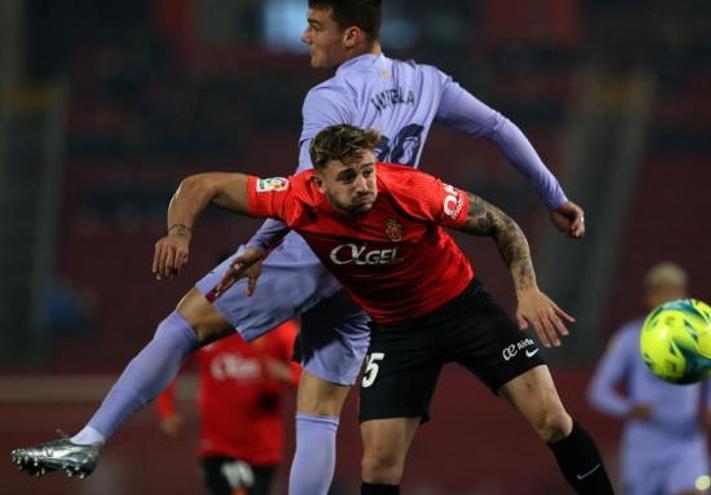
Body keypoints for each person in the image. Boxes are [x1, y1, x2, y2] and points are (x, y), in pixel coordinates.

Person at [12, 1, 585, 492]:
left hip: (317, 247)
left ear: (351, 35)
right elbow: (498, 127)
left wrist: (256, 248)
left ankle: (89, 440)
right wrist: (553, 194)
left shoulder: (329, 98)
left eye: (316, 24)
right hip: (375, 271)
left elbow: (307, 191)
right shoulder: (426, 81)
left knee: (183, 327)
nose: (306, 35)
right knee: (320, 414)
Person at [155, 123, 614, 495]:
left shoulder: (414, 191)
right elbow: (201, 184)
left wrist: (527, 290)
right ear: (319, 181)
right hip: (397, 333)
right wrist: (178, 231)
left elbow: (501, 223)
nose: (363, 185)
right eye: (348, 176)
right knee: (377, 465)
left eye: (368, 171)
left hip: (464, 310)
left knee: (553, 421)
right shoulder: (295, 197)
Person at [588, 262, 711, 495]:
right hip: (644, 444)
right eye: (664, 291)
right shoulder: (629, 338)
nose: (671, 297)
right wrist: (629, 408)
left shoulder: (700, 336)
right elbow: (599, 392)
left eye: (677, 291)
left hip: (687, 441)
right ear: (650, 298)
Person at [156, 320, 302, 495]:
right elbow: (167, 365)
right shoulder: (208, 328)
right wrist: (167, 412)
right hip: (218, 447)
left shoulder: (280, 330)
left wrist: (288, 375)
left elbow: (311, 378)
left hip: (264, 449)